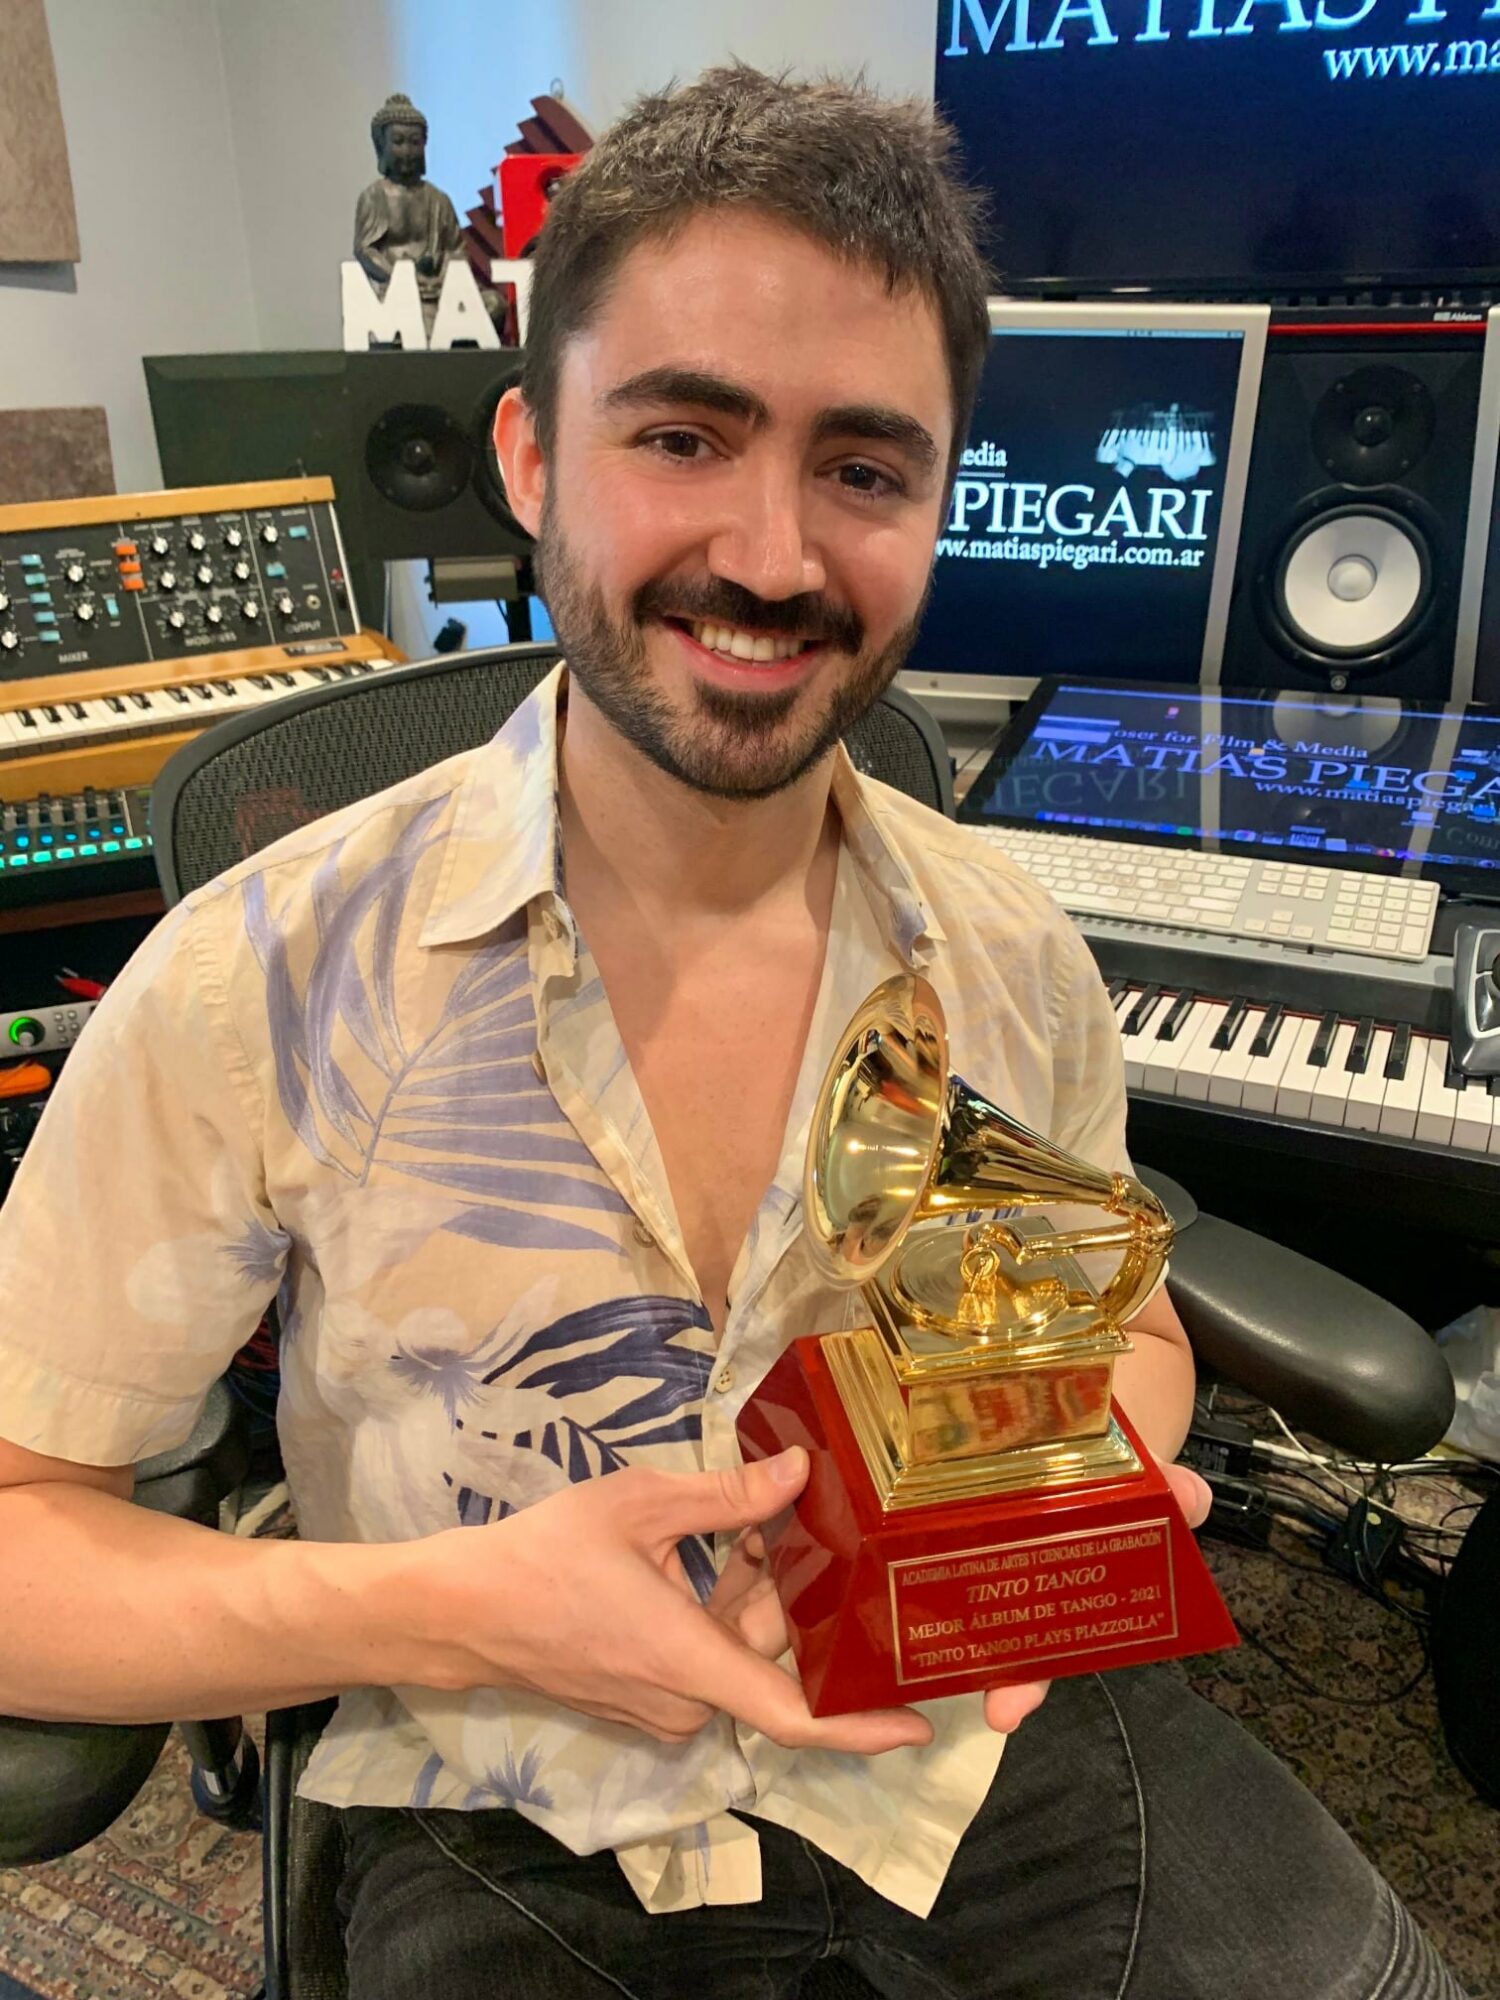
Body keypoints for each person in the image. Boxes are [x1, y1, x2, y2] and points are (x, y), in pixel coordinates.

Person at [0, 64, 1464, 2000]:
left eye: (865, 468)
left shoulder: (1003, 954)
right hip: (506, 1786)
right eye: (683, 434)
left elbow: (1120, 1336)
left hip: (969, 1749)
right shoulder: (251, 977)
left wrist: (1063, 1488)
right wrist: (433, 1612)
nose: (774, 556)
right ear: (528, 457)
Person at [354, 92, 467, 334]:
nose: (407, 151)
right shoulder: (374, 196)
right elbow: (365, 250)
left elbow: (457, 250)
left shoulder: (438, 200)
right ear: (381, 145)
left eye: (415, 142)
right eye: (398, 141)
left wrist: (441, 277)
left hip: (437, 291)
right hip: (394, 291)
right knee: (413, 320)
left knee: (494, 306)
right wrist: (403, 280)